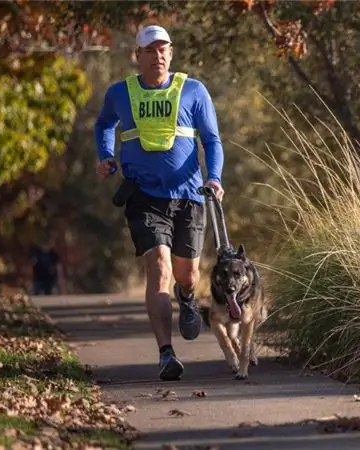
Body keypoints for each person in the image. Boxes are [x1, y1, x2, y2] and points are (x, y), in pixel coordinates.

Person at [94, 24, 225, 381]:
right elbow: (104, 124)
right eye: (150, 50)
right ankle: (166, 353)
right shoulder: (120, 93)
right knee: (160, 268)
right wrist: (105, 154)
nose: (158, 56)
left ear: (171, 53)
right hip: (144, 196)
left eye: (163, 49)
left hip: (189, 197)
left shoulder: (193, 90)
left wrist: (214, 177)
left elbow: (212, 140)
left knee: (188, 274)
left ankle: (187, 297)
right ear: (137, 56)